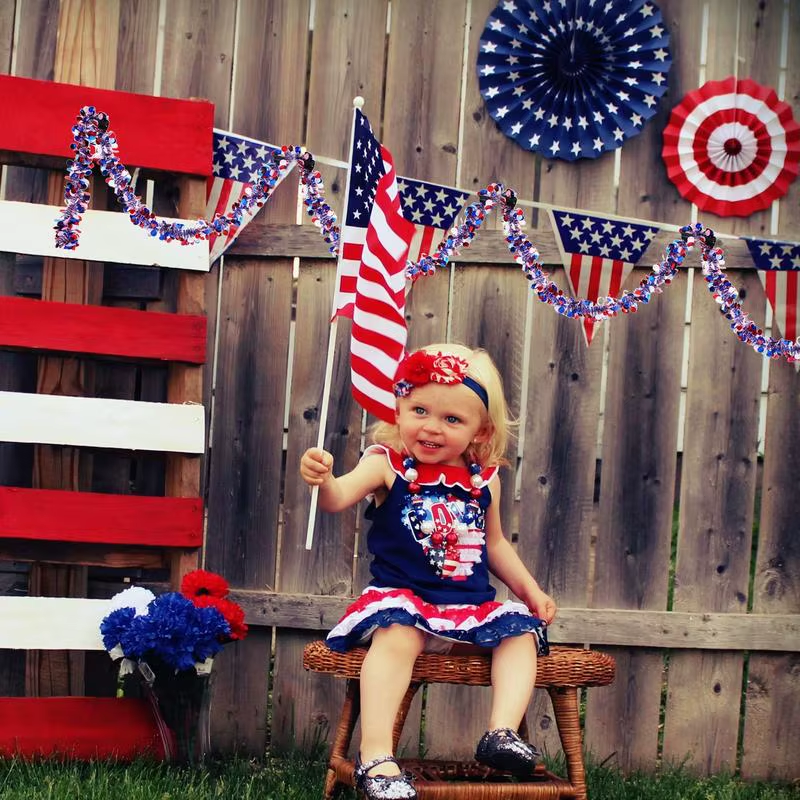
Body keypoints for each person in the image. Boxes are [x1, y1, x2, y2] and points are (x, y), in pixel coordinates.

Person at [300, 343, 557, 800]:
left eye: (452, 419)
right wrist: (323, 481)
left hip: (468, 611)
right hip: (404, 602)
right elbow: (339, 497)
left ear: (482, 430)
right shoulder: (386, 464)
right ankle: (376, 757)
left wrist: (531, 590)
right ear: (398, 406)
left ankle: (499, 733)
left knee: (520, 633)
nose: (431, 427)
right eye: (419, 409)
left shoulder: (484, 479)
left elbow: (494, 544)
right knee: (397, 635)